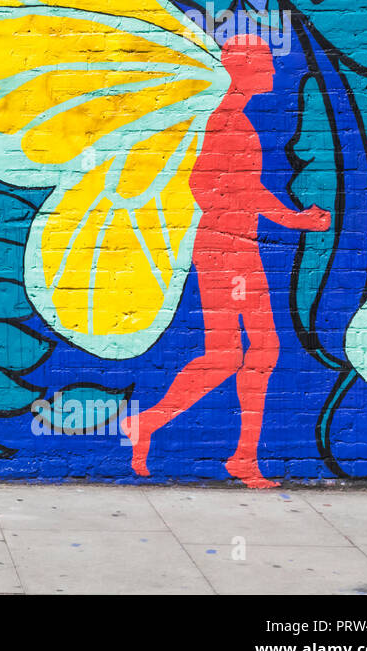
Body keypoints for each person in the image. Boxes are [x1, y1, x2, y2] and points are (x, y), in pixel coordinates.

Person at [123, 35, 331, 488]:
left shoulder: (233, 119)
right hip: (228, 249)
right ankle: (233, 454)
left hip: (233, 245)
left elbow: (225, 188)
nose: (273, 71)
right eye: (264, 64)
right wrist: (294, 219)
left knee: (243, 353)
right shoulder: (228, 124)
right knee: (242, 353)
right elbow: (217, 187)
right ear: (244, 69)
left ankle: (184, 437)